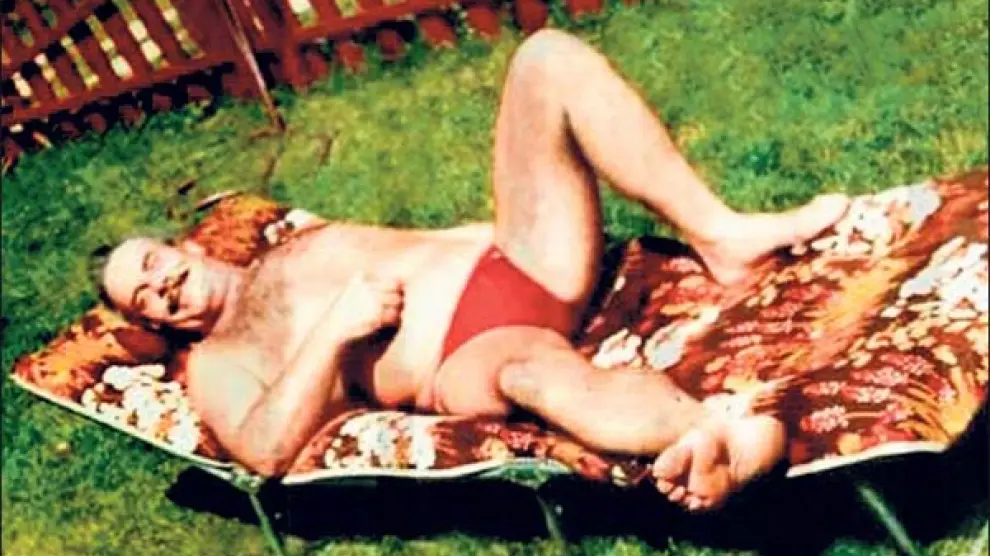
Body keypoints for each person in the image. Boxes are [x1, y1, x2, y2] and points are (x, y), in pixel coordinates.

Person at [101, 29, 849, 512]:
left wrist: (504, 224)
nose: (159, 289)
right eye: (143, 301)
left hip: (515, 259)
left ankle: (720, 235)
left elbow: (409, 244)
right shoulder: (216, 361)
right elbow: (262, 449)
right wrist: (334, 333)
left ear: (189, 247)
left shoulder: (287, 246)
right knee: (537, 378)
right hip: (470, 352)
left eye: (153, 265)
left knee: (544, 59)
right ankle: (721, 440)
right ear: (151, 322)